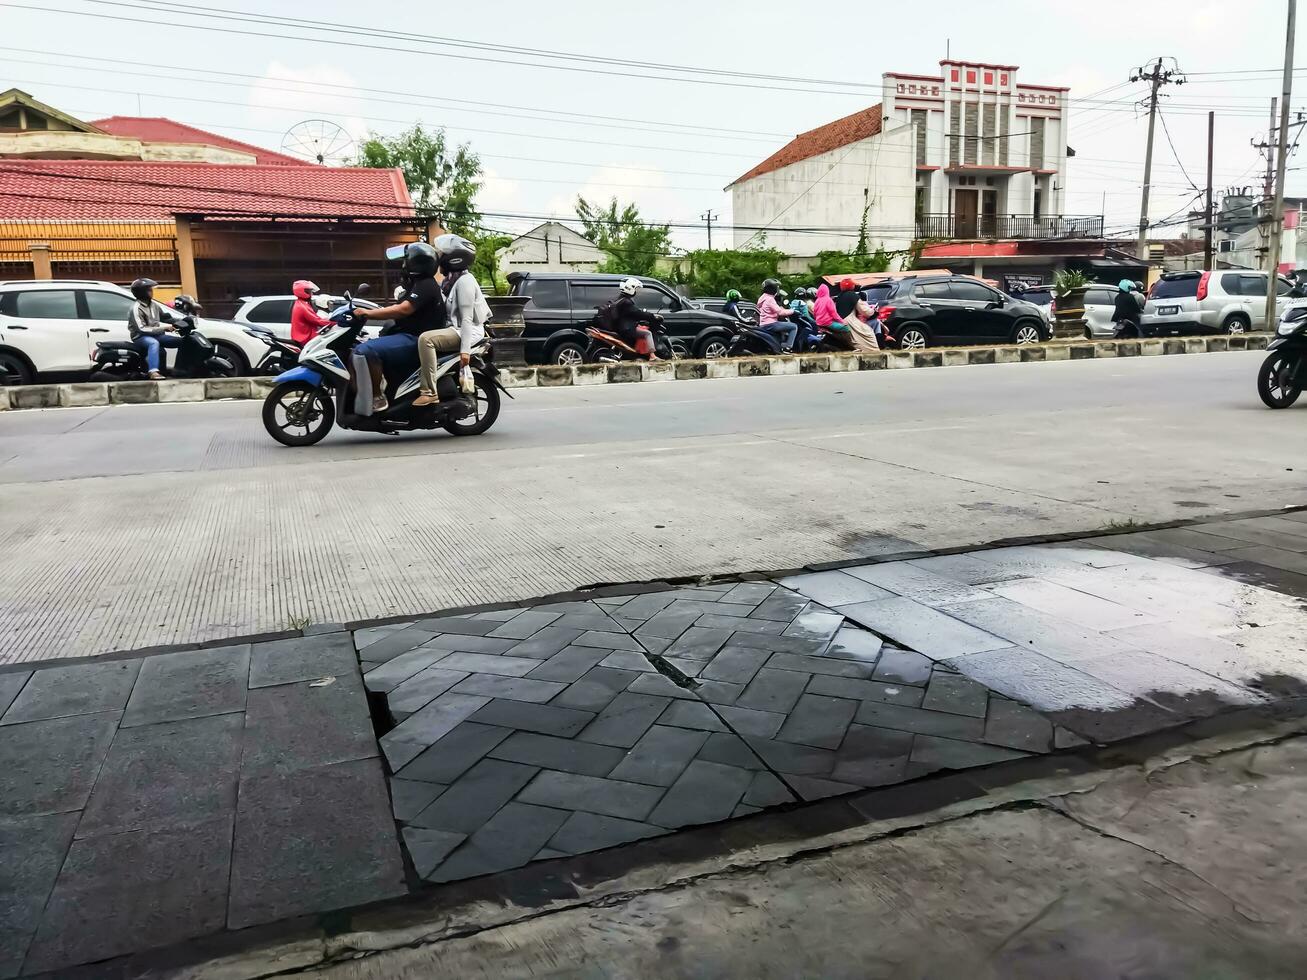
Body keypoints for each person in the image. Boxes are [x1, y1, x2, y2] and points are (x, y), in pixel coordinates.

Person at [351, 241, 445, 413]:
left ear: (416, 263)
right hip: (408, 336)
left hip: (415, 339)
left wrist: (368, 313)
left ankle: (377, 396)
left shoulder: (426, 285)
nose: (402, 265)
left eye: (405, 261)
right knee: (356, 348)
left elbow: (404, 309)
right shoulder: (415, 284)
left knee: (366, 350)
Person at [414, 234, 490, 408]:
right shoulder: (450, 282)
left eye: (440, 256)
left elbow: (467, 318)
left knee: (426, 340)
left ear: (453, 259)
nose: (437, 261)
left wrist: (465, 352)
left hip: (466, 332)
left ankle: (429, 392)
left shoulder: (464, 281)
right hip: (456, 329)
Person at [126, 277, 184, 380]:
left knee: (183, 341)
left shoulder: (153, 305)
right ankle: (153, 372)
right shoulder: (136, 308)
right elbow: (141, 329)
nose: (151, 291)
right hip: (140, 337)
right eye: (149, 289)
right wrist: (165, 329)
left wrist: (183, 322)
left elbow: (166, 317)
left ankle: (182, 369)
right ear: (142, 292)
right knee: (153, 343)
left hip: (156, 335)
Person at [610, 277, 662, 359]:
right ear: (630, 288)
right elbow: (637, 313)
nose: (636, 291)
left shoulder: (620, 299)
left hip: (621, 327)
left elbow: (632, 313)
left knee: (641, 328)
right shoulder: (627, 302)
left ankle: (638, 354)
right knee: (647, 333)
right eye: (635, 288)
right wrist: (651, 316)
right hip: (627, 329)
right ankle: (652, 356)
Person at [756, 278, 797, 351]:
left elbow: (776, 309)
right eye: (776, 287)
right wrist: (793, 311)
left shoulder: (763, 298)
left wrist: (785, 309)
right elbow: (780, 312)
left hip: (763, 323)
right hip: (771, 324)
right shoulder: (770, 299)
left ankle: (781, 343)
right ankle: (788, 347)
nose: (777, 289)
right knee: (793, 326)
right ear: (772, 288)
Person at [812, 283, 855, 351]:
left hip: (819, 323)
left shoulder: (817, 301)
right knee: (845, 328)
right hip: (828, 323)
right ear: (827, 291)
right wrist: (842, 321)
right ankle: (851, 347)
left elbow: (814, 313)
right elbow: (834, 314)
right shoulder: (828, 300)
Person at [289, 279, 332, 347]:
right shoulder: (302, 306)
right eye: (309, 291)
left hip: (305, 337)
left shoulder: (301, 303)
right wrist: (335, 323)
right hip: (305, 339)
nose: (312, 294)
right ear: (303, 291)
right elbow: (317, 320)